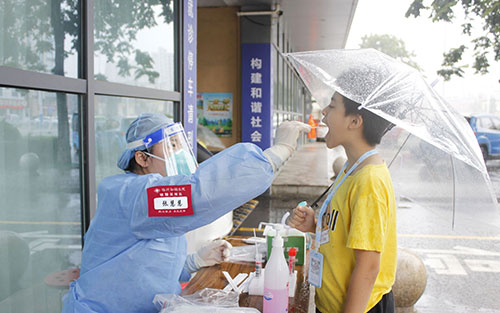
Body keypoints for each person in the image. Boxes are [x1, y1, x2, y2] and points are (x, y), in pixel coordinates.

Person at [62, 113, 310, 313]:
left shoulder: (147, 196)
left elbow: (144, 265)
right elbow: (199, 193)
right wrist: (277, 152)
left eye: (178, 143)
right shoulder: (133, 195)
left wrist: (195, 261)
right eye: (170, 145)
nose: (178, 152)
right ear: (142, 158)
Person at [288, 91, 397, 313]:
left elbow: (368, 268)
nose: (324, 112)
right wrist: (315, 225)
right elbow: (346, 230)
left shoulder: (369, 181)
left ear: (355, 121)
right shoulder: (351, 168)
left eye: (333, 106)